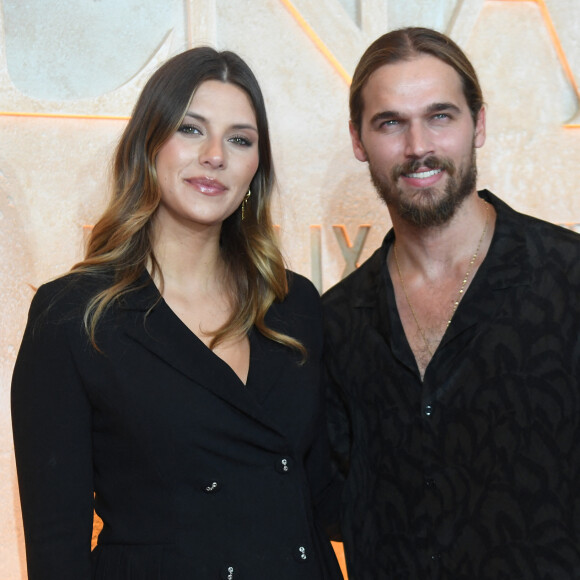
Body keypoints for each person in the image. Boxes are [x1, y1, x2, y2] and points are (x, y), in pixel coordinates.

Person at [12, 47, 343, 580]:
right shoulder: (73, 315)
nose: (215, 155)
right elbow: (57, 549)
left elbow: (323, 493)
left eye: (240, 139)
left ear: (256, 168)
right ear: (149, 144)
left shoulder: (292, 303)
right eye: (191, 130)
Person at [322, 26, 580, 579]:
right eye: (391, 122)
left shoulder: (569, 279)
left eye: (441, 116)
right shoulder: (336, 321)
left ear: (478, 124)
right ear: (358, 140)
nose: (418, 147)